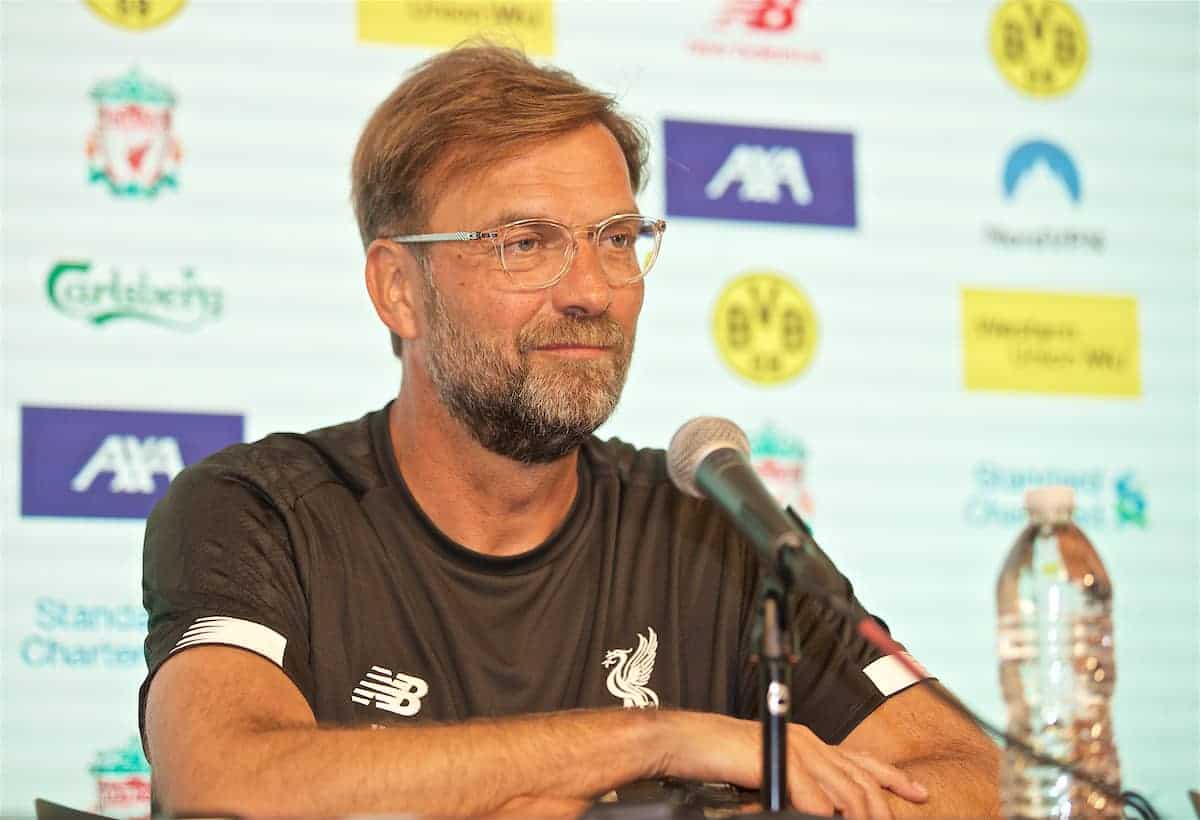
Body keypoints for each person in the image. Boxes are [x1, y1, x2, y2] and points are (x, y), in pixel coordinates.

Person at [140, 44, 999, 819]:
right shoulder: (262, 512)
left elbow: (978, 779)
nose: (592, 289)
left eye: (618, 239)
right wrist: (658, 742)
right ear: (398, 287)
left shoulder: (708, 525)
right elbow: (226, 782)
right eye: (525, 242)